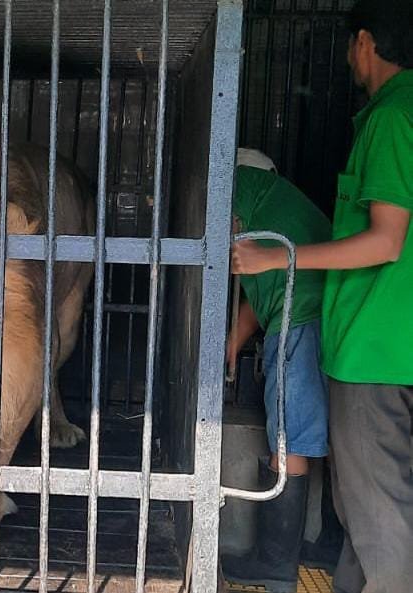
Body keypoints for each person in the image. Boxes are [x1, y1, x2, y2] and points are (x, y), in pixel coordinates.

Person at [232, 1, 413, 591]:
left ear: (364, 42)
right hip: (386, 341)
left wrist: (275, 256)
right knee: (373, 510)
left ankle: (278, 562)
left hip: (374, 346)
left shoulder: (393, 119)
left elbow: (386, 241)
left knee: (375, 510)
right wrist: (235, 341)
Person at [221, 149, 332, 593]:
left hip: (300, 318)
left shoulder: (240, 181)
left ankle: (274, 563)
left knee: (289, 435)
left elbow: (213, 241)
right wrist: (232, 344)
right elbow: (258, 295)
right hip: (314, 314)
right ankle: (314, 549)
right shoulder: (275, 209)